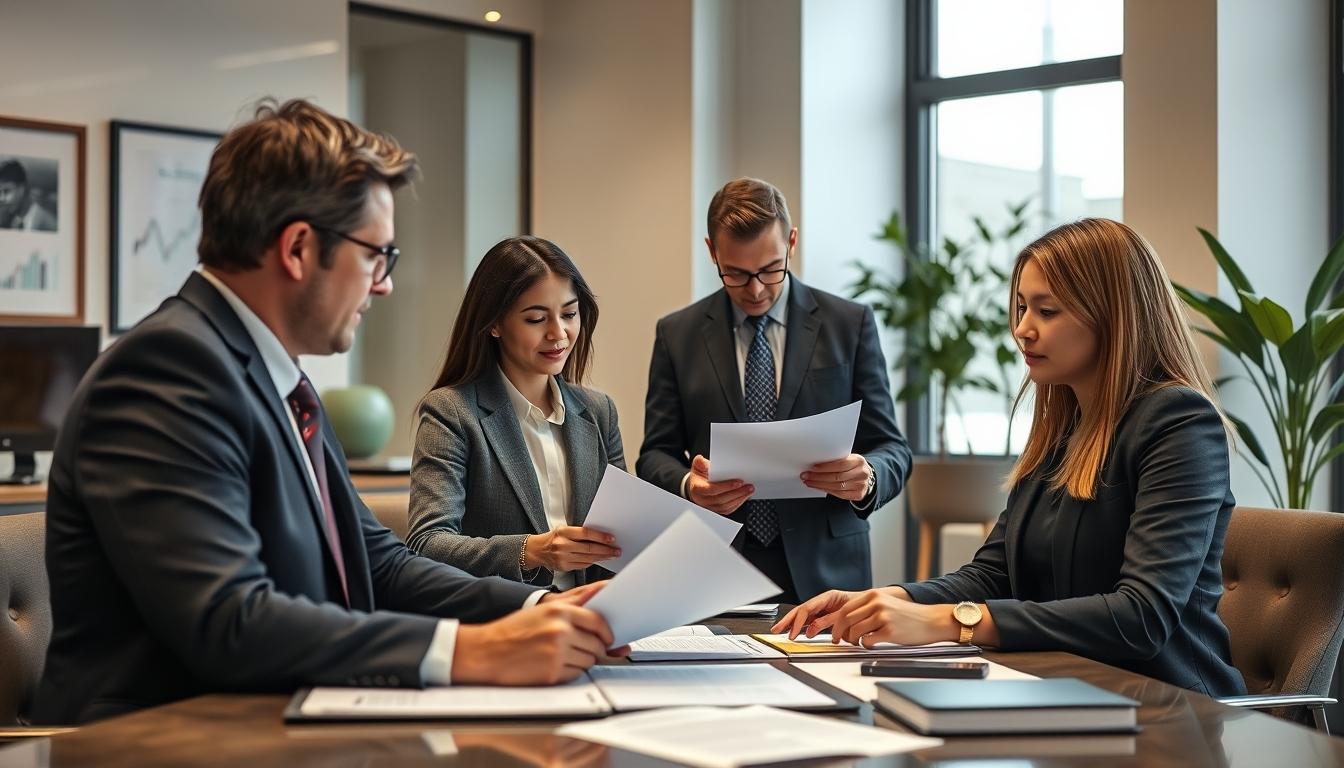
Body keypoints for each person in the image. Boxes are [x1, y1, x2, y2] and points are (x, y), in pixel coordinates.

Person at [34, 99, 621, 726]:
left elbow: (380, 563)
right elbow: (228, 619)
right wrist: (468, 650)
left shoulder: (283, 380)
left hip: (278, 718)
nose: (384, 283)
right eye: (377, 256)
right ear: (298, 249)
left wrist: (537, 609)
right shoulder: (166, 372)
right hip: (159, 737)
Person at [775, 218, 1247, 697]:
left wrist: (947, 622)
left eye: (1047, 310)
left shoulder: (1180, 423)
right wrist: (884, 601)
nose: (1022, 329)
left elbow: (1142, 616)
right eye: (1021, 308)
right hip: (1068, 692)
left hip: (1170, 709)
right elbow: (994, 574)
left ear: (1112, 314)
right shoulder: (1063, 430)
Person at [637, 177, 913, 603]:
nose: (756, 290)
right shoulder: (678, 334)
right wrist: (691, 486)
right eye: (736, 274)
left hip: (829, 569)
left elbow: (892, 446)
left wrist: (868, 476)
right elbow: (654, 454)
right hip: (716, 566)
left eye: (770, 269)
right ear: (712, 251)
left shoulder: (849, 324)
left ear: (792, 242)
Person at [408, 236, 624, 589]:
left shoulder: (600, 412)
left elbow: (621, 537)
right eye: (537, 319)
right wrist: (532, 550)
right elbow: (427, 543)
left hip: (595, 614)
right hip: (508, 621)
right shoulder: (452, 413)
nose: (559, 333)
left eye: (569, 314)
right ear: (495, 324)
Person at [0, 159, 57, 231]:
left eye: (6, 191)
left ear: (21, 189)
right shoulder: (12, 219)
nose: (1, 198)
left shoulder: (44, 223)